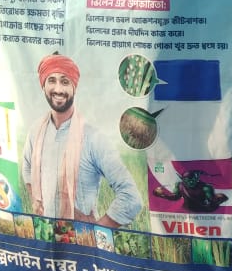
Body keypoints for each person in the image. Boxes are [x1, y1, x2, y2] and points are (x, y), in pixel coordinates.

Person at [22, 53, 142, 228]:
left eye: (65, 82)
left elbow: (131, 197)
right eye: (51, 80)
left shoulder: (94, 139)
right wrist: (37, 202)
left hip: (81, 241)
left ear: (74, 87)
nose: (58, 89)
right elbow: (27, 167)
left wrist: (95, 233)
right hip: (44, 235)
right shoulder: (35, 132)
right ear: (43, 85)